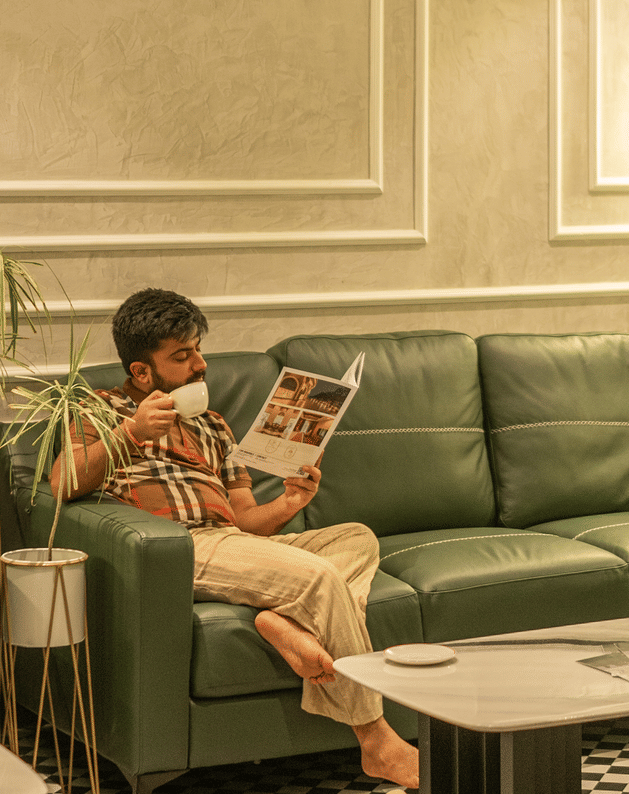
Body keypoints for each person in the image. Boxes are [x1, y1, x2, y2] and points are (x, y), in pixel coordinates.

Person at [51, 288, 419, 789]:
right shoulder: (102, 411)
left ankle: (290, 625)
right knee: (317, 577)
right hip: (179, 549)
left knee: (354, 538)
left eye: (197, 349)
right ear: (142, 372)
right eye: (182, 356)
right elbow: (62, 483)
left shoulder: (213, 424)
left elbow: (245, 518)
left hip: (230, 540)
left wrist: (290, 503)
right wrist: (131, 433)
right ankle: (376, 741)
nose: (200, 364)